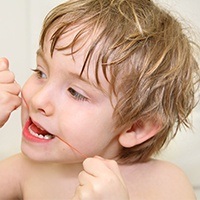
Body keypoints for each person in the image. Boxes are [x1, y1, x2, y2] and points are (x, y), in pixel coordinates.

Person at [0, 0, 199, 199]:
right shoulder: (25, 170)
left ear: (135, 127)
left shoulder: (166, 183)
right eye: (41, 72)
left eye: (75, 92)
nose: (38, 99)